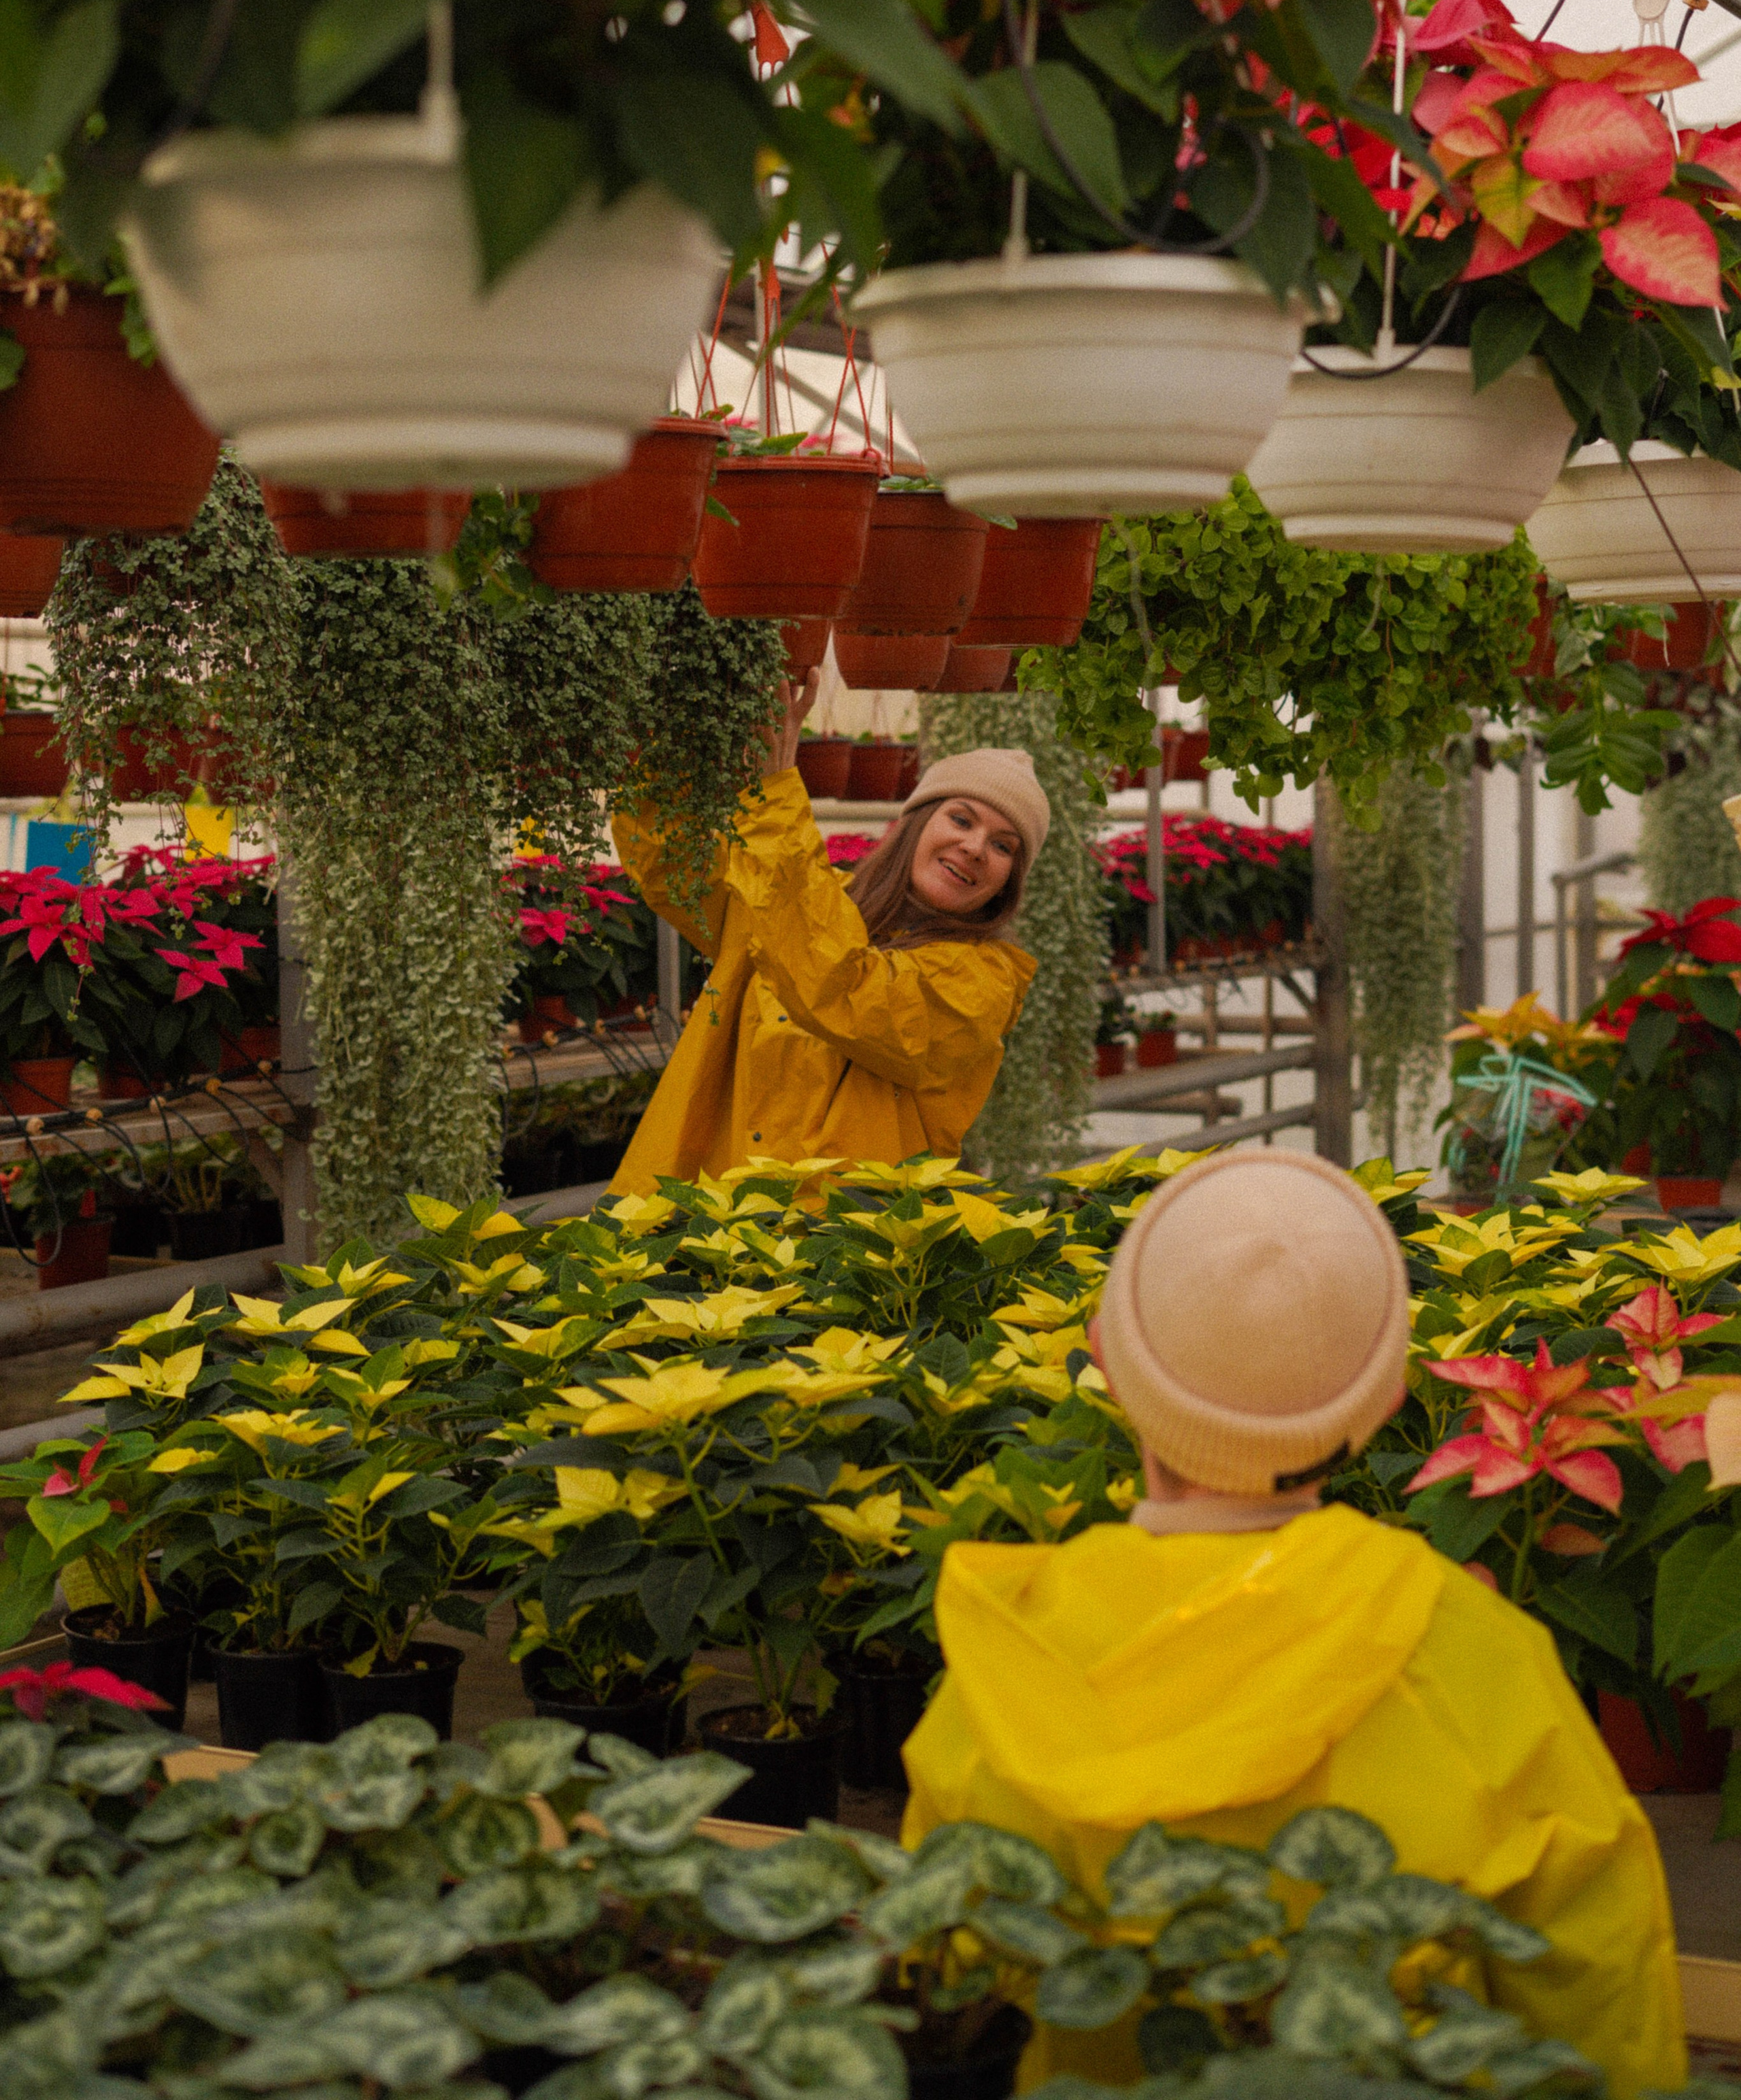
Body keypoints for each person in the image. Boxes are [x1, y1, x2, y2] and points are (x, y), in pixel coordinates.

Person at [902, 1146, 1685, 2099]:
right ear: (1387, 1398)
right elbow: (1603, 1991)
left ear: (1108, 1365)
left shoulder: (1005, 1662)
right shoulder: (1482, 1657)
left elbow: (935, 1987)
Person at [607, 674, 1045, 1193]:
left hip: (844, 1252)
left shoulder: (982, 981)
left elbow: (841, 986)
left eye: (1004, 846)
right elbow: (669, 857)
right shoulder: (797, 898)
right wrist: (683, 722)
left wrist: (773, 801)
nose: (975, 847)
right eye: (961, 819)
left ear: (1009, 880)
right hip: (707, 1221)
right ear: (915, 823)